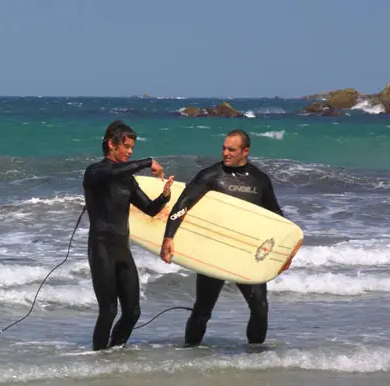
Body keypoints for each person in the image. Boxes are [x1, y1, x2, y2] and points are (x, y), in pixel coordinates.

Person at [159, 129, 283, 347]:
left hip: (247, 253)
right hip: (214, 251)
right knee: (203, 310)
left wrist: (282, 252)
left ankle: (255, 359)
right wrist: (168, 237)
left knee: (260, 308)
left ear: (245, 151)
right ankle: (190, 354)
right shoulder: (210, 176)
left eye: (231, 149)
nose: (225, 153)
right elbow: (181, 206)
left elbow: (276, 218)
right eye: (224, 148)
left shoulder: (260, 180)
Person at [82, 120, 174, 351]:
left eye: (133, 147)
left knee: (133, 311)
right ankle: (98, 358)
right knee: (108, 311)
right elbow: (112, 171)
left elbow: (150, 209)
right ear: (112, 145)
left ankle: (114, 352)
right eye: (127, 147)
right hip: (101, 248)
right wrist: (147, 162)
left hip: (122, 251)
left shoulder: (127, 180)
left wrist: (164, 196)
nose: (130, 151)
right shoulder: (95, 172)